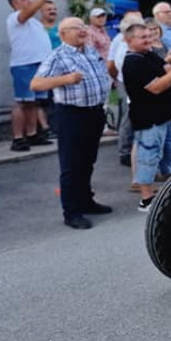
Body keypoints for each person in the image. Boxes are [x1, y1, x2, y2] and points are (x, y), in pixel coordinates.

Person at [31, 17, 112, 230]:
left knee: (87, 161)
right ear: (63, 33)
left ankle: (86, 201)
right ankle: (71, 212)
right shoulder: (58, 56)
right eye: (77, 28)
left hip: (94, 113)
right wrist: (65, 79)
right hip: (71, 115)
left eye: (84, 26)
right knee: (71, 165)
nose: (83, 31)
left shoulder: (90, 50)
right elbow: (36, 83)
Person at [123, 22, 171, 212]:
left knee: (170, 153)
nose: (148, 40)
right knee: (148, 157)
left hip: (165, 117)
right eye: (143, 37)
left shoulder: (147, 54)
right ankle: (146, 200)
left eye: (149, 36)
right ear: (130, 40)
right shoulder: (133, 62)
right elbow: (157, 86)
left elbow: (163, 69)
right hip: (148, 119)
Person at [6, 0, 59, 152]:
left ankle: (32, 134)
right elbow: (29, 11)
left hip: (39, 65)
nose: (29, 1)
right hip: (24, 64)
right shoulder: (15, 17)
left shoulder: (34, 23)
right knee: (22, 102)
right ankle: (18, 138)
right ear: (15, 4)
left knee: (34, 102)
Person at [107, 11, 143, 178]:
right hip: (125, 81)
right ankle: (124, 150)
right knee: (128, 115)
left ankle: (134, 148)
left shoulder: (133, 41)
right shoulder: (118, 41)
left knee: (134, 114)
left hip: (135, 81)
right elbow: (111, 63)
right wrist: (117, 79)